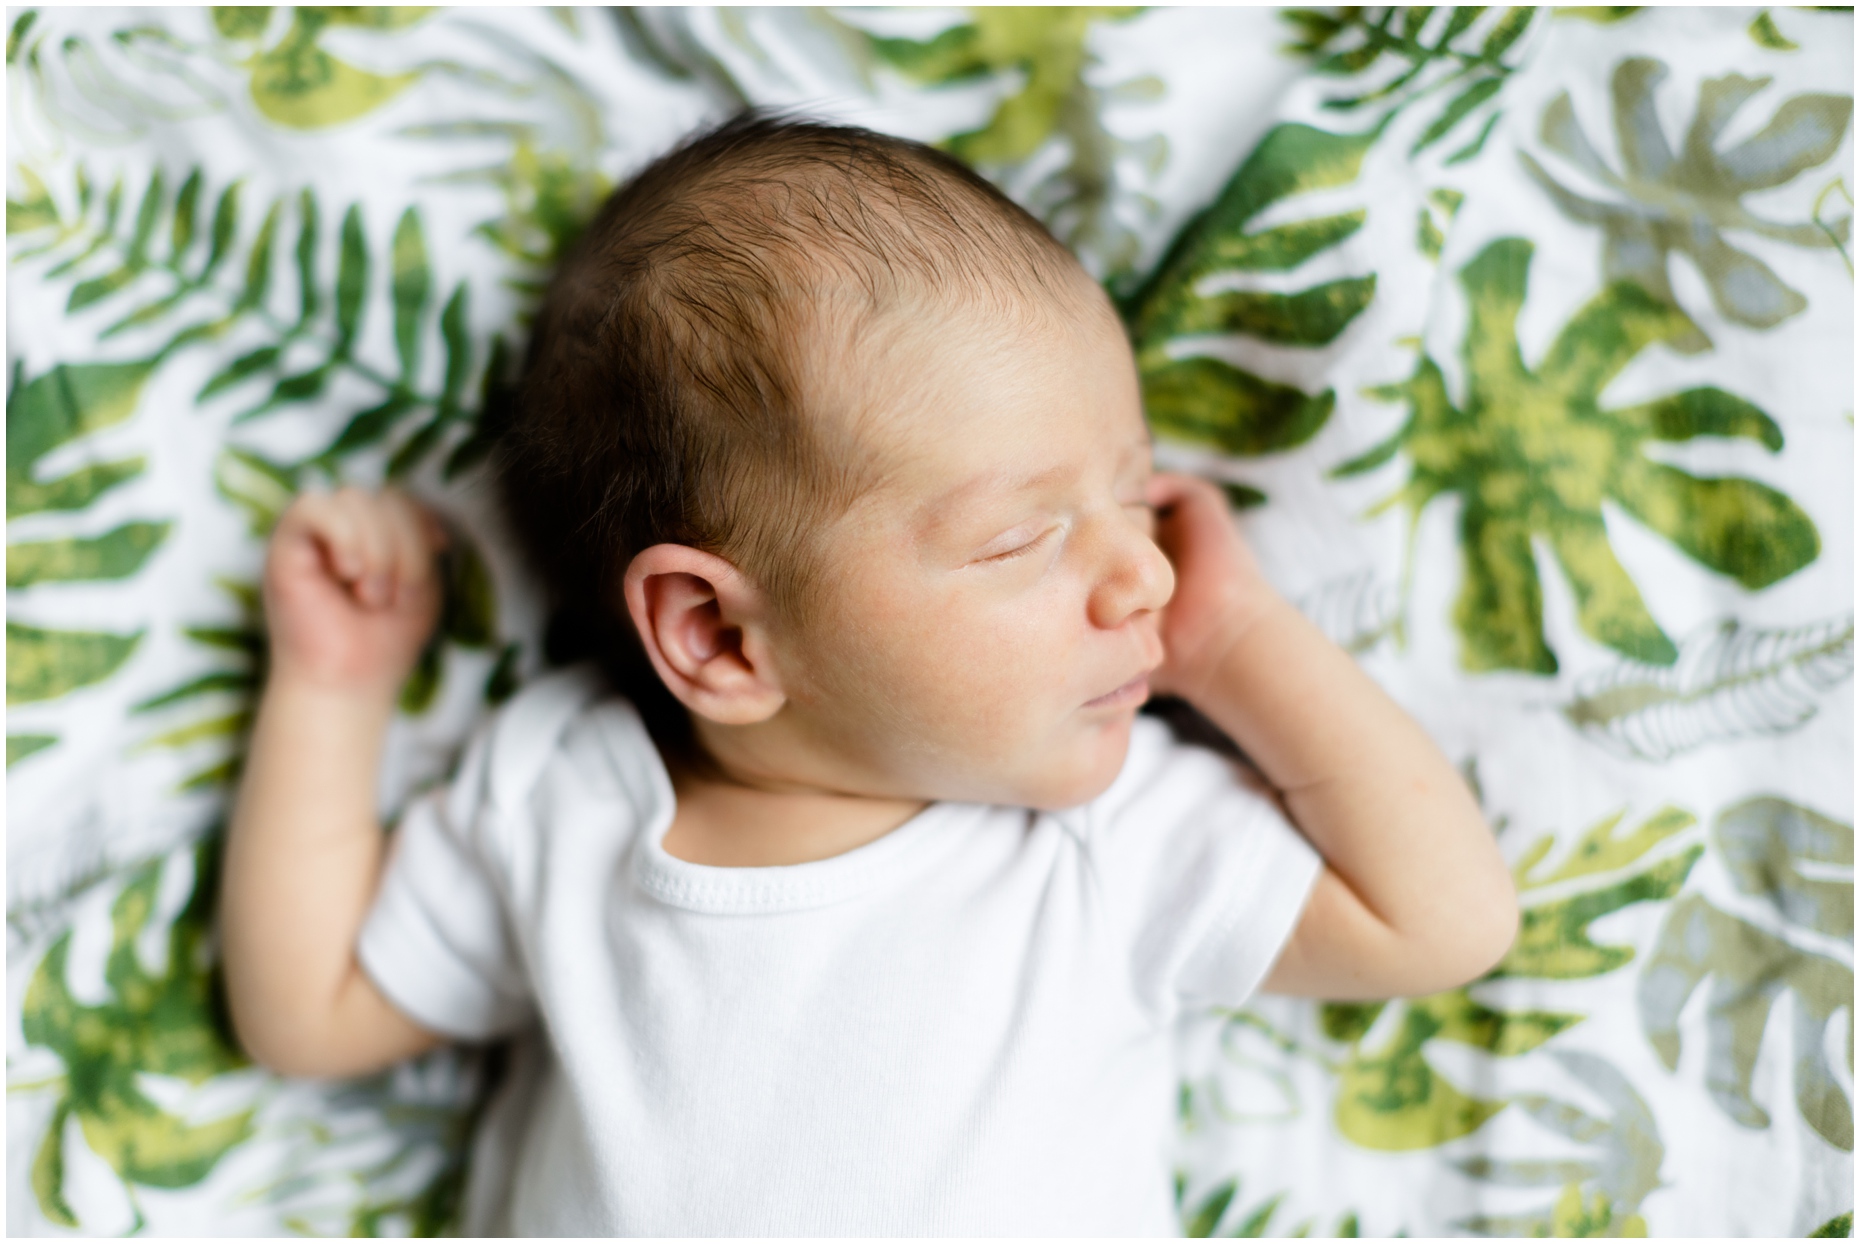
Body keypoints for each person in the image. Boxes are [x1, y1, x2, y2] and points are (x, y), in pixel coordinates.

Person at [220, 115, 1517, 1235]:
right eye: (1022, 537)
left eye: (1135, 493)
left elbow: (1444, 922)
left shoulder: (1093, 841)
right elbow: (310, 1011)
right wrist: (332, 693)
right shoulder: (566, 794)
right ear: (723, 637)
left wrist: (1237, 646)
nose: (1149, 577)